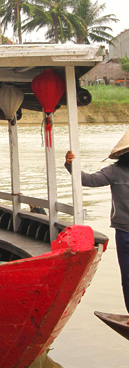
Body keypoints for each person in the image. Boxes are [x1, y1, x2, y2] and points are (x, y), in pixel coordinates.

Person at [65, 129, 129, 321]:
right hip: (125, 231)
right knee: (127, 276)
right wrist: (70, 165)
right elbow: (87, 180)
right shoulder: (115, 171)